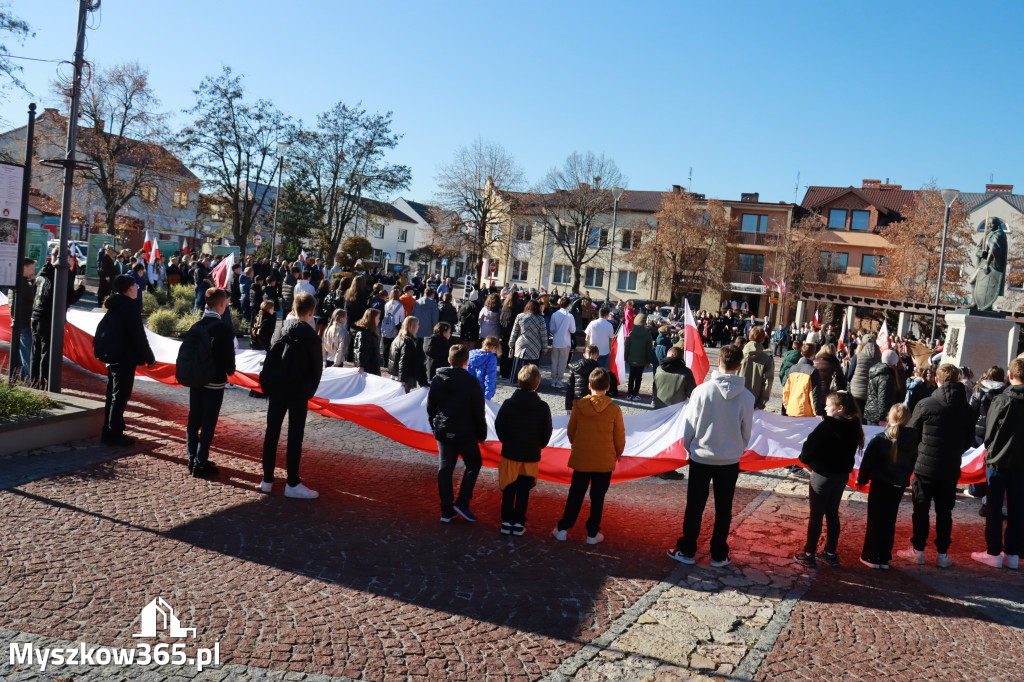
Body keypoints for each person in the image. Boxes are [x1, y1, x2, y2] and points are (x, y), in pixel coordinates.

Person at [667, 344, 754, 567]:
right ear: (740, 365)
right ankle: (719, 553)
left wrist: (690, 447)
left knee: (695, 505)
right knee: (724, 507)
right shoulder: (746, 397)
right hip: (729, 458)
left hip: (702, 456)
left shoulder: (702, 391)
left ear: (719, 362)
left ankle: (687, 550)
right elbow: (747, 432)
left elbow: (690, 425)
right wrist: (736, 449)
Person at [897, 364, 974, 568]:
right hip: (949, 466)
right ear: (958, 380)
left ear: (938, 380)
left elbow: (912, 434)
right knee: (944, 512)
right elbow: (969, 439)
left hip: (925, 465)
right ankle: (942, 554)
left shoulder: (925, 404)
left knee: (921, 509)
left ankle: (918, 550)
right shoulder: (966, 409)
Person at [260, 292, 323, 499]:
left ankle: (267, 479)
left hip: (277, 387)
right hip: (297, 391)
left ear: (293, 309)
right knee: (295, 436)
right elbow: (316, 372)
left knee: (272, 432)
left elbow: (270, 355)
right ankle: (292, 482)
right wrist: (307, 391)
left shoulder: (279, 331)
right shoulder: (312, 338)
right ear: (311, 312)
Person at [552, 367, 625, 545]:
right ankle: (592, 533)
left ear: (589, 385)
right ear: (608, 387)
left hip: (582, 458)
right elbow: (619, 437)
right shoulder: (615, 409)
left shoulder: (578, 406)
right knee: (597, 498)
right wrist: (618, 452)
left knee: (575, 495)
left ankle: (563, 529)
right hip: (604, 461)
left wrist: (578, 445)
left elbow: (571, 432)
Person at [793, 391, 864, 568]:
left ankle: (809, 554)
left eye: (828, 405)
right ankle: (830, 552)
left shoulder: (828, 425)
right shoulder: (854, 425)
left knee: (816, 515)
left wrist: (805, 460)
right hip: (840, 477)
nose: (825, 408)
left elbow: (810, 446)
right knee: (832, 513)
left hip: (823, 475)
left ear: (839, 408)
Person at [972, 357, 1024, 569]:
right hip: (1021, 464)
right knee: (1017, 508)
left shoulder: (1002, 400)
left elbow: (989, 432)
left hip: (998, 461)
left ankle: (993, 550)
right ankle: (1012, 552)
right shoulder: (1003, 398)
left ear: (1010, 376)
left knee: (994, 506)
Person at [427, 344, 487, 523]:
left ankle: (446, 510)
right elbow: (479, 412)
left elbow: (431, 408)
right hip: (465, 432)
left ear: (449, 360)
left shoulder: (438, 380)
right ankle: (462, 502)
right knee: (474, 464)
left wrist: (435, 426)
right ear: (466, 362)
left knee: (445, 469)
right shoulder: (471, 382)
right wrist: (481, 435)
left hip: (444, 430)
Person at [95, 274, 156, 446]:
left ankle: (111, 429)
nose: (138, 288)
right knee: (120, 396)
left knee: (112, 394)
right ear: (129, 288)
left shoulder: (115, 304)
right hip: (124, 356)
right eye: (136, 286)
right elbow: (139, 335)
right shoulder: (130, 307)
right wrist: (150, 358)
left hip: (113, 354)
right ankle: (113, 434)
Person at [495, 364, 553, 536]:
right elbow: (546, 432)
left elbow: (500, 426)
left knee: (508, 489)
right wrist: (538, 446)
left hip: (511, 454)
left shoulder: (508, 404)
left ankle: (506, 521)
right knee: (523, 492)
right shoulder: (542, 407)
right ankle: (519, 522)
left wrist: (506, 441)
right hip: (530, 455)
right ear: (537, 384)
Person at [858, 403, 918, 569]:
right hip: (898, 484)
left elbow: (867, 463)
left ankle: (871, 555)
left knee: (875, 520)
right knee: (889, 520)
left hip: (881, 483)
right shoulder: (913, 439)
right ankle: (884, 557)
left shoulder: (879, 439)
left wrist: (862, 480)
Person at [185, 287, 236, 477]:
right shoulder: (223, 329)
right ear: (222, 305)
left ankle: (192, 457)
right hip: (214, 381)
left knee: (194, 419)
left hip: (196, 379)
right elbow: (229, 362)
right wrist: (229, 370)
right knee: (208, 422)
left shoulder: (197, 325)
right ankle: (201, 462)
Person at [31, 246, 86, 388]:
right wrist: (81, 287)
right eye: (70, 258)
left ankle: (34, 383)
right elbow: (69, 298)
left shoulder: (43, 271)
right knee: (47, 353)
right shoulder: (61, 272)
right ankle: (45, 384)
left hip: (36, 315)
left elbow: (35, 291)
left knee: (36, 352)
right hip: (51, 318)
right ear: (65, 258)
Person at [508, 300, 548, 383]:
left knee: (519, 365)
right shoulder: (541, 319)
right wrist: (545, 347)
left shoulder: (520, 316)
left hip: (521, 344)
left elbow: (514, 331)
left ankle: (518, 380)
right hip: (534, 346)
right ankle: (531, 382)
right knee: (532, 367)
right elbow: (544, 335)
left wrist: (511, 342)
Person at [9, 257, 35, 380]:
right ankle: (30, 383)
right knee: (27, 356)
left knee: (19, 356)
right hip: (24, 324)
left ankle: (18, 380)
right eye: (32, 269)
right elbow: (34, 296)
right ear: (24, 268)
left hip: (19, 323)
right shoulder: (23, 284)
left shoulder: (16, 281)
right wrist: (35, 283)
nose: (33, 271)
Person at [782, 343, 822, 418]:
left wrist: (787, 405)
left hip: (791, 408)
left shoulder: (793, 368)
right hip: (805, 411)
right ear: (813, 354)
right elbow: (814, 394)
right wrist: (817, 413)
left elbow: (786, 390)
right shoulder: (813, 371)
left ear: (801, 353)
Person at [740, 327, 774, 410]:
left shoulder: (739, 354)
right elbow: (768, 382)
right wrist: (761, 403)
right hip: (754, 400)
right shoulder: (767, 359)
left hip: (737, 397)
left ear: (749, 337)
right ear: (763, 340)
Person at [847, 333, 880, 417]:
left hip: (856, 392)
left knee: (854, 417)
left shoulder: (858, 356)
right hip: (871, 393)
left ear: (863, 344)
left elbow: (849, 374)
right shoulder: (880, 358)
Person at [623, 313, 655, 401]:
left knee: (631, 376)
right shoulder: (647, 335)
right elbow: (649, 349)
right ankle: (636, 394)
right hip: (642, 359)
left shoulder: (631, 333)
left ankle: (629, 394)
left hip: (631, 359)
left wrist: (626, 358)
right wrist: (648, 361)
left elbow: (627, 347)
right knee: (638, 377)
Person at [389, 316, 425, 392]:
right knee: (404, 396)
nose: (418, 327)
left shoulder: (398, 339)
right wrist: (402, 379)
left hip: (396, 373)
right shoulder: (408, 341)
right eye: (417, 325)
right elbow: (404, 361)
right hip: (405, 375)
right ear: (412, 326)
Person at [864, 349, 899, 425]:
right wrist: (883, 418)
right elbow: (883, 398)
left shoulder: (876, 371)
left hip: (871, 412)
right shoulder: (886, 377)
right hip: (878, 417)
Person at [565, 344, 601, 415]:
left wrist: (568, 406)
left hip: (578, 401)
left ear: (584, 355)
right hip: (593, 402)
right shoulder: (599, 370)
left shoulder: (575, 368)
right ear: (597, 356)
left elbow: (570, 387)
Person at [549, 297, 576, 388]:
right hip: (565, 341)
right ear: (568, 305)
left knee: (554, 361)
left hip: (556, 340)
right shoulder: (570, 316)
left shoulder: (555, 314)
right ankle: (559, 380)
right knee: (562, 362)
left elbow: (552, 329)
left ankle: (553, 380)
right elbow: (573, 330)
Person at [467, 336, 500, 400]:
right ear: (493, 347)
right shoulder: (491, 358)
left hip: (468, 390)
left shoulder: (470, 354)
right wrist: (488, 396)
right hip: (481, 391)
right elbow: (490, 378)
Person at [380, 286, 406, 365]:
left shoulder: (387, 304)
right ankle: (392, 363)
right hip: (395, 326)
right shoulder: (400, 305)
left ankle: (385, 363)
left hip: (386, 325)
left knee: (385, 345)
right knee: (393, 346)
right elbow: (402, 317)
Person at [353, 309, 382, 375]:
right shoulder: (366, 332)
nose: (379, 320)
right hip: (368, 367)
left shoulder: (368, 331)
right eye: (377, 318)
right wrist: (361, 365)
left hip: (370, 365)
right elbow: (361, 349)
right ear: (372, 319)